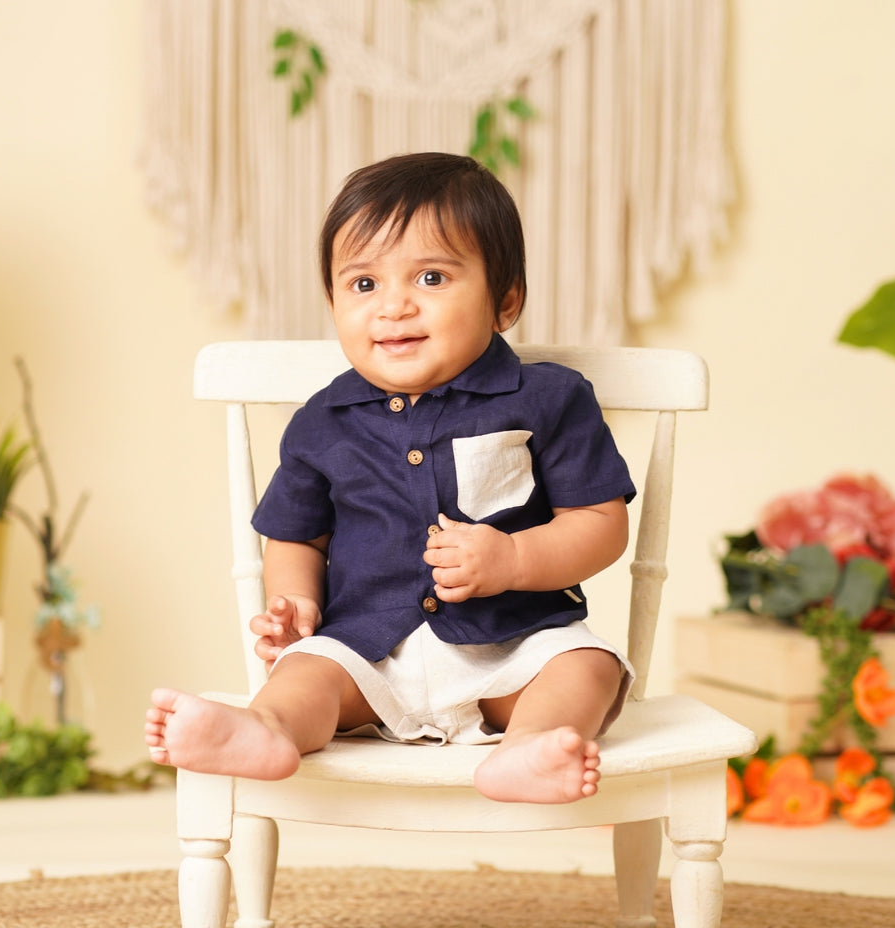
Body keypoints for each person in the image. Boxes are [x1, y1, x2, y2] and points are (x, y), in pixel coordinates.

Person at [145, 152, 636, 804]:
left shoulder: (546, 399)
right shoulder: (322, 422)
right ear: (333, 301)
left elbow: (600, 524)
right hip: (367, 655)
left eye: (431, 277)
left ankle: (528, 749)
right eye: (363, 285)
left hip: (513, 650)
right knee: (305, 672)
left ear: (504, 300)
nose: (394, 307)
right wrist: (296, 605)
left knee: (588, 667)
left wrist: (514, 557)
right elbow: (295, 537)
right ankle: (266, 730)